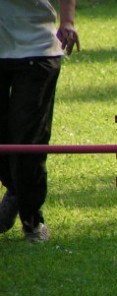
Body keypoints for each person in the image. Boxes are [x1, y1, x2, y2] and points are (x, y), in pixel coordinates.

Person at [0, 0, 80, 243]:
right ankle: (16, 190)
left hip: (37, 49)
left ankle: (33, 222)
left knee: (28, 140)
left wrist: (67, 21)